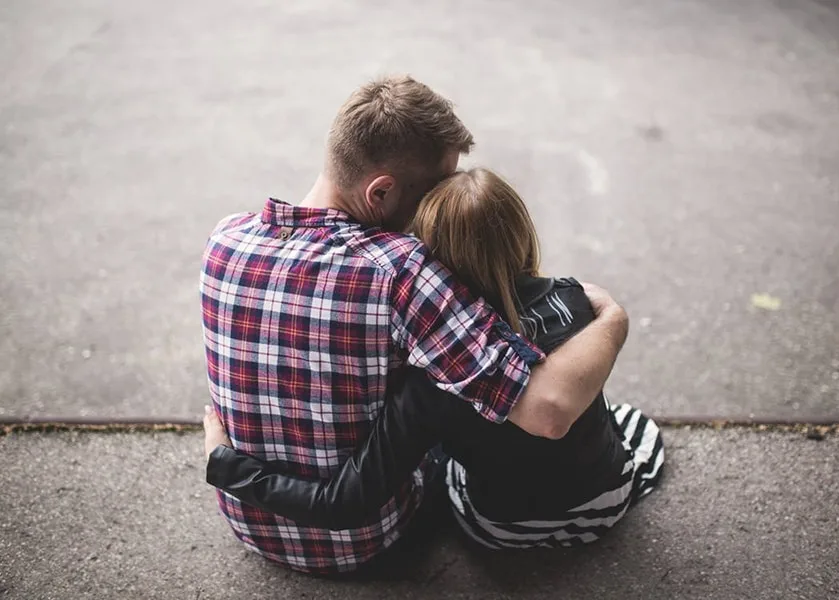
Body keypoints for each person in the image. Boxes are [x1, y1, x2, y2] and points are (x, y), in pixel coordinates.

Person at [199, 76, 629, 575]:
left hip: (249, 522)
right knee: (455, 406)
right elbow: (544, 410)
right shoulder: (400, 271)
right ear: (380, 191)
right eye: (431, 192)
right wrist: (614, 320)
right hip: (369, 545)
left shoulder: (225, 237)